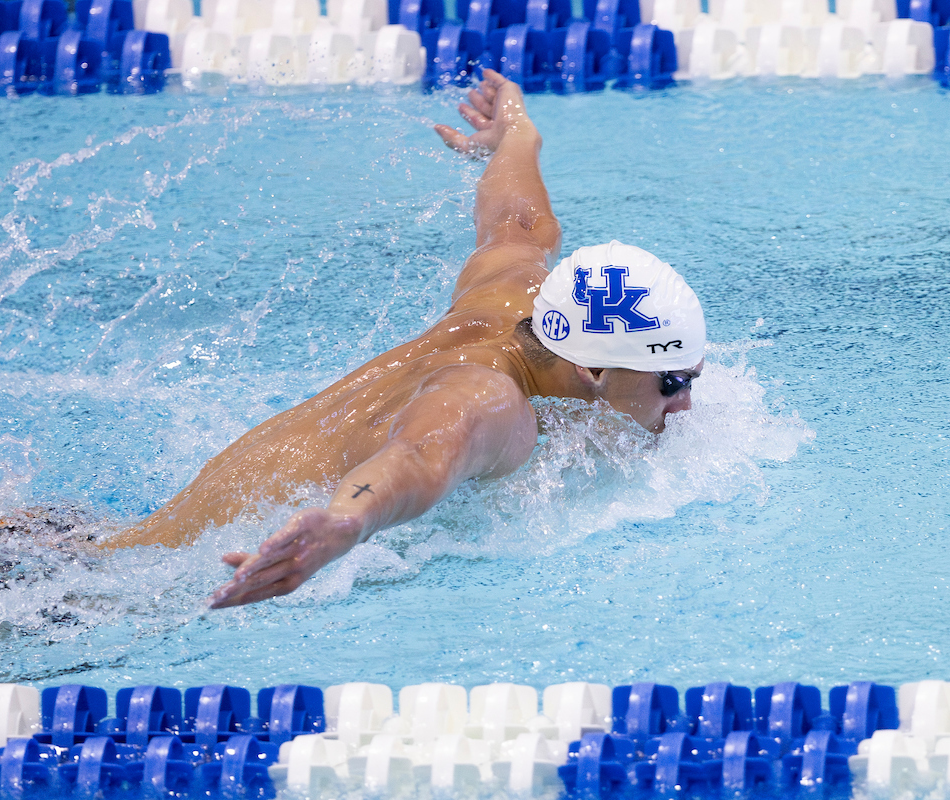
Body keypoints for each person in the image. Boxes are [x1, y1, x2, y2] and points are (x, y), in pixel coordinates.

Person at [106, 70, 706, 609]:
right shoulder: (493, 399)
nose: (684, 407)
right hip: (140, 588)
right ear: (593, 371)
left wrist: (517, 135)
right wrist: (348, 522)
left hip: (131, 542)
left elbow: (516, 219)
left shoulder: (515, 289)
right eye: (672, 382)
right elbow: (422, 453)